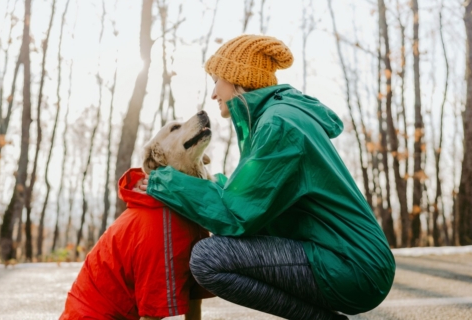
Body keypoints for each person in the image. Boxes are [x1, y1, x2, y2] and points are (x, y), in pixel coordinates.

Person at [138, 34, 395, 320]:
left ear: (237, 78)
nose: (213, 94)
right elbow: (252, 197)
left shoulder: (279, 124)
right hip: (345, 256)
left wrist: (167, 182)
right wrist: (211, 183)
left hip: (351, 264)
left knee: (208, 258)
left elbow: (237, 217)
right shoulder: (278, 117)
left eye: (216, 81)